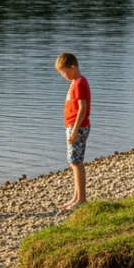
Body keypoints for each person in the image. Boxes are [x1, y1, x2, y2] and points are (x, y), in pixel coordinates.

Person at [56, 52, 91, 211]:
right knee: (74, 161)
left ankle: (81, 198)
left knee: (76, 162)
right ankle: (76, 196)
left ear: (73, 67)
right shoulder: (76, 81)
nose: (63, 75)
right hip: (74, 126)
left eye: (64, 71)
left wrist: (75, 130)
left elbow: (82, 108)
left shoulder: (79, 83)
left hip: (77, 127)